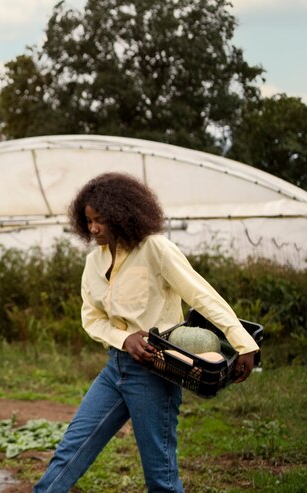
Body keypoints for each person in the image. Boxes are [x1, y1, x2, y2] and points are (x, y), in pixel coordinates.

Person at [33, 172, 260, 493]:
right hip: (116, 369)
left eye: (100, 220)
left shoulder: (155, 249)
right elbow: (91, 317)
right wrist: (124, 338)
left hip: (157, 371)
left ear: (121, 215)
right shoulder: (93, 263)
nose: (93, 228)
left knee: (160, 476)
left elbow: (201, 295)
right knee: (70, 451)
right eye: (88, 221)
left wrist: (242, 342)